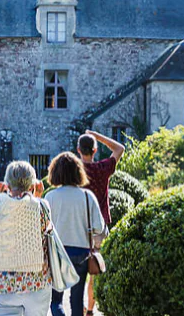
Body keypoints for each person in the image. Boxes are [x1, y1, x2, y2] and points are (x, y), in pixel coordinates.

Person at [0, 161, 53, 316]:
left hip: (4, 284)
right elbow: (46, 229)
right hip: (36, 283)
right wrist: (37, 197)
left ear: (6, 184)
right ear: (33, 184)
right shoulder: (42, 207)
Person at [45, 152, 106, 316]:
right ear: (79, 172)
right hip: (81, 253)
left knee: (56, 301)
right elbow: (99, 228)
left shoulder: (50, 197)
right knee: (77, 301)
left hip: (57, 253)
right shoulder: (87, 196)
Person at [77, 129, 124, 315]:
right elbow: (120, 148)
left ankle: (78, 307)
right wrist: (98, 137)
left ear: (78, 150)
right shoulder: (102, 169)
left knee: (77, 272)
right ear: (95, 150)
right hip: (100, 228)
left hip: (78, 229)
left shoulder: (74, 172)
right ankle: (89, 310)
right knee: (94, 272)